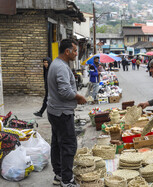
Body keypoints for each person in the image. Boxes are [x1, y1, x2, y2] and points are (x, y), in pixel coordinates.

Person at [47, 39, 87, 187]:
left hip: (54, 111)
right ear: (67, 52)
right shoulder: (61, 67)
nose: (77, 54)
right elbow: (65, 91)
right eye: (75, 51)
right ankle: (67, 180)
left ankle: (59, 175)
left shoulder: (55, 64)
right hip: (62, 113)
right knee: (68, 145)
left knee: (57, 143)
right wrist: (79, 97)